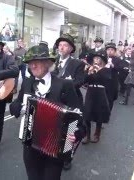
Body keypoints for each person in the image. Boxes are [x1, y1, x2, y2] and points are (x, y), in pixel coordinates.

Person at [9, 44, 85, 180]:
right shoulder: (27, 83)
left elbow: (78, 116)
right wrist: (19, 108)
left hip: (55, 147)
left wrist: (76, 133)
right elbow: (15, 104)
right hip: (30, 145)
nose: (32, 66)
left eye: (36, 62)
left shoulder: (64, 85)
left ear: (47, 63)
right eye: (30, 63)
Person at [53, 33, 85, 170]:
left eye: (65, 45)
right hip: (55, 101)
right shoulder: (52, 61)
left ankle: (68, 156)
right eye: (60, 45)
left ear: (71, 49)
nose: (61, 48)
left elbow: (80, 81)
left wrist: (66, 84)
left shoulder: (77, 63)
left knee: (71, 131)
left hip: (72, 101)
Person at [82, 52, 112, 143]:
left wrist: (98, 70)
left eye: (98, 59)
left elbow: (106, 79)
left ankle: (96, 135)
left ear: (102, 61)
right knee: (87, 113)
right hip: (90, 91)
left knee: (99, 114)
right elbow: (84, 80)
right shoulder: (90, 69)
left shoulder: (106, 70)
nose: (96, 60)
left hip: (100, 92)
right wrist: (88, 72)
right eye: (95, 58)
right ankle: (87, 135)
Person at [105, 43, 121, 110]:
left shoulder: (117, 59)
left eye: (112, 50)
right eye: (108, 49)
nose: (110, 51)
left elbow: (119, 69)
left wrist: (112, 65)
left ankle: (108, 112)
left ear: (114, 51)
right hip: (104, 81)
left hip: (112, 82)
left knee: (110, 99)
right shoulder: (103, 58)